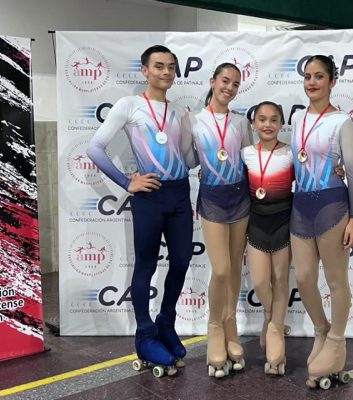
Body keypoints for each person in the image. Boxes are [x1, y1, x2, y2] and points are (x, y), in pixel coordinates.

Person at [87, 45, 196, 377]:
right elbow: (95, 148)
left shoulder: (180, 111)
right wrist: (126, 182)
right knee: (146, 265)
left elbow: (187, 159)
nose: (166, 72)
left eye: (171, 67)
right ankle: (145, 335)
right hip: (150, 196)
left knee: (181, 261)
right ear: (145, 70)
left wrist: (208, 149)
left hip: (180, 194)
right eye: (159, 66)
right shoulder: (129, 105)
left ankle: (166, 324)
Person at [290, 55, 353, 389]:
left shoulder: (341, 122)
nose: (312, 82)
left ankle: (336, 341)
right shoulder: (297, 118)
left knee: (336, 280)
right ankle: (321, 329)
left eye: (319, 76)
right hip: (301, 206)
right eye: (308, 76)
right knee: (304, 277)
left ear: (332, 82)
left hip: (333, 205)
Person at [185, 63, 252, 377]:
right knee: (221, 269)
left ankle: (230, 326)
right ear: (212, 82)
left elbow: (252, 159)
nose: (229, 87)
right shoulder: (193, 120)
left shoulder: (240, 121)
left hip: (240, 197)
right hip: (212, 198)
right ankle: (214, 327)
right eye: (225, 81)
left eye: (235, 84)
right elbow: (186, 159)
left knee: (235, 267)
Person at [241, 101, 293, 376]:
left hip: (283, 224)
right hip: (257, 225)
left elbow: (311, 178)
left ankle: (275, 330)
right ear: (253, 124)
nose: (268, 124)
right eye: (262, 119)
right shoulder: (246, 154)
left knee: (280, 279)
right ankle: (270, 317)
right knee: (261, 281)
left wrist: (338, 171)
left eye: (274, 119)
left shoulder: (291, 153)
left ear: (282, 124)